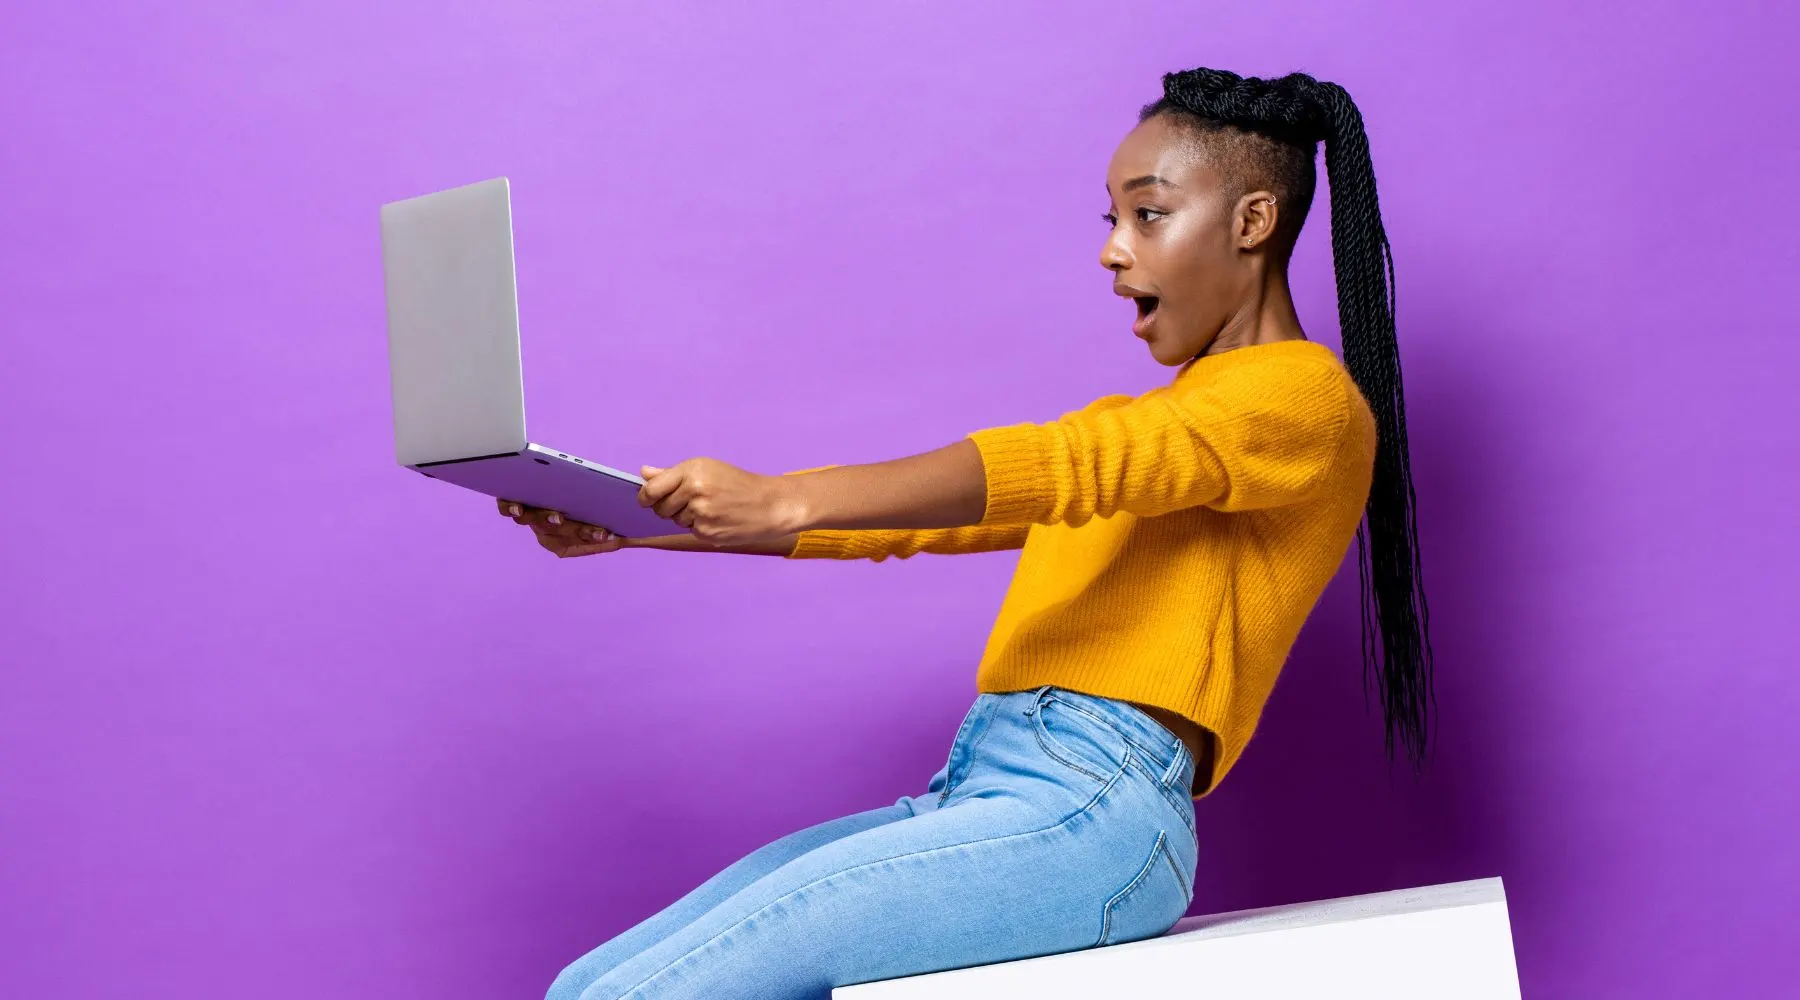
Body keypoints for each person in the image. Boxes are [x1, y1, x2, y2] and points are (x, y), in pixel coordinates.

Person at [523, 66, 1434, 1000]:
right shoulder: (1180, 432)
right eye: (1110, 220)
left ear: (1251, 222)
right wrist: (632, 525)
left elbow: (1074, 461)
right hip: (991, 788)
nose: (1113, 252)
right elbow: (929, 525)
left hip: (1091, 808)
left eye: (1148, 214)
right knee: (592, 983)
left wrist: (787, 495)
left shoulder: (1298, 400)